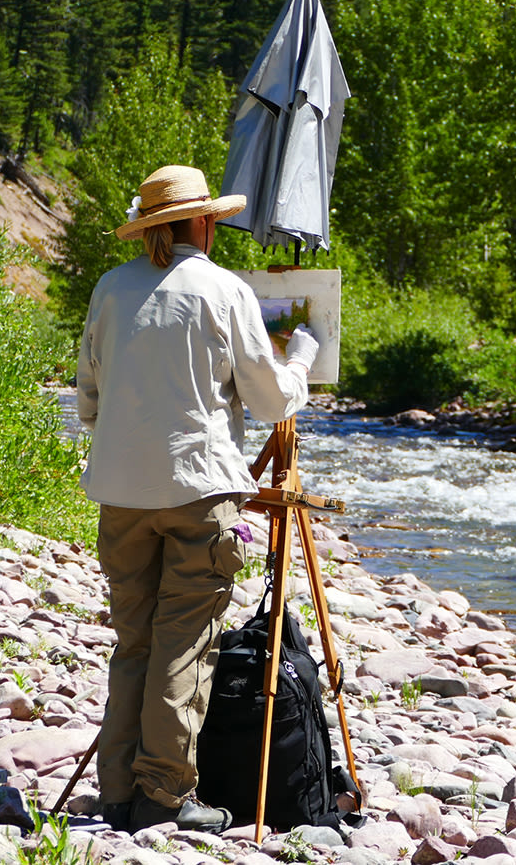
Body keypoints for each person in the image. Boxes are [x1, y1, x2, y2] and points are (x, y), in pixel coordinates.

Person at [76, 164, 319, 833]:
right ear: (206, 222)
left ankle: (118, 791)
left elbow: (88, 400)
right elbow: (269, 399)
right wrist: (300, 360)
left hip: (120, 494)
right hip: (199, 490)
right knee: (183, 643)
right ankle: (164, 794)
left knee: (133, 641)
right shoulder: (223, 290)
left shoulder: (110, 288)